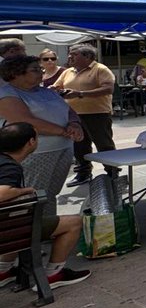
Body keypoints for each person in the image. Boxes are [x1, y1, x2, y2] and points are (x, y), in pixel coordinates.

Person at [0, 121, 91, 290]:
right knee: (73, 222)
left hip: (7, 227)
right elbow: (2, 193)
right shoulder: (9, 167)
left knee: (15, 220)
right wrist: (26, 191)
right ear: (31, 142)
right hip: (7, 232)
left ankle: (3, 271)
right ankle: (53, 274)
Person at [0, 55, 84, 219]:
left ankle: (47, 227)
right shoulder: (6, 94)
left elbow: (68, 111)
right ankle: (29, 234)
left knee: (50, 194)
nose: (41, 72)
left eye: (41, 69)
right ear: (16, 73)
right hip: (36, 153)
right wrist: (63, 131)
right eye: (35, 69)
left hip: (63, 149)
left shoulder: (45, 90)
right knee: (33, 195)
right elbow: (24, 121)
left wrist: (75, 125)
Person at [52, 45, 116, 187]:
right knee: (79, 146)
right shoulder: (68, 71)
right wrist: (53, 90)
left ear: (87, 57)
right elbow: (57, 87)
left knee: (104, 145)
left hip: (97, 114)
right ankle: (83, 173)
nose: (70, 57)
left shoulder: (100, 69)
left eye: (74, 54)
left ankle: (112, 172)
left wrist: (80, 93)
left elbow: (108, 88)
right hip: (73, 116)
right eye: (69, 54)